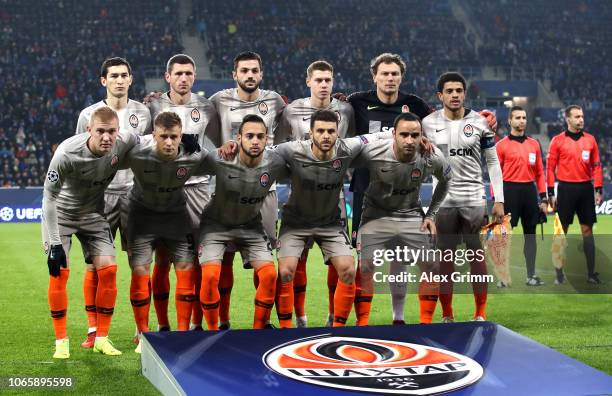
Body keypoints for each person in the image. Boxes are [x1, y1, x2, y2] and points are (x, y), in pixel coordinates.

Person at [274, 110, 392, 327]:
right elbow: (264, 151)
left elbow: (378, 136)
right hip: (295, 223)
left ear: (338, 134)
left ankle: (337, 327)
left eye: (331, 131)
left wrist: (407, 135)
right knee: (285, 271)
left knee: (348, 269)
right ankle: (288, 329)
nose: (326, 136)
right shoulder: (292, 150)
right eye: (320, 131)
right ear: (310, 133)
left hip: (330, 223)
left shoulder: (346, 149)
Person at [43, 107, 139, 358]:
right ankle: (61, 342)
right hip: (62, 215)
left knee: (109, 271)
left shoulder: (122, 141)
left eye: (111, 132)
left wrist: (182, 139)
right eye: (100, 132)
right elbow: (48, 199)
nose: (107, 137)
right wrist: (54, 244)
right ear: (89, 130)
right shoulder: (66, 152)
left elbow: (149, 139)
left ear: (118, 132)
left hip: (93, 214)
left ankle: (101, 339)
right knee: (59, 273)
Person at [121, 112, 213, 353]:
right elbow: (108, 155)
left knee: (186, 269)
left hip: (175, 216)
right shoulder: (137, 153)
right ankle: (142, 334)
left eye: (174, 137)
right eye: (164, 136)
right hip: (141, 217)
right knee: (140, 271)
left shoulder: (193, 154)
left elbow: (221, 163)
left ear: (181, 136)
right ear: (154, 135)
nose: (169, 142)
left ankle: (182, 334)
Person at [75, 57, 151, 348]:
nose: (119, 80)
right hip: (99, 198)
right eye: (114, 76)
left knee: (139, 264)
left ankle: (141, 331)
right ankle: (93, 329)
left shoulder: (143, 111)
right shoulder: (88, 115)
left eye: (124, 75)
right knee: (96, 265)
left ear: (131, 79)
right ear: (103, 81)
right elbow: (79, 155)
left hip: (135, 195)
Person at [274, 60, 355, 327]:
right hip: (300, 191)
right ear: (308, 81)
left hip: (334, 196)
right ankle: (299, 317)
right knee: (296, 262)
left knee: (339, 264)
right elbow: (277, 146)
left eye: (328, 80)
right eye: (318, 80)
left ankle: (335, 317)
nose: (323, 85)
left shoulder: (346, 109)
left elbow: (354, 143)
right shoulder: (291, 110)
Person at [209, 51, 285, 329]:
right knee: (225, 256)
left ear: (261, 74)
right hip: (228, 192)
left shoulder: (275, 100)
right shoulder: (217, 101)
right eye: (244, 70)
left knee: (263, 258)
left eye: (254, 70)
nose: (250, 75)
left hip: (265, 191)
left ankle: (262, 323)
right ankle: (223, 319)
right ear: (234, 75)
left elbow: (286, 133)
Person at [422, 72, 504, 322]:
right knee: (445, 260)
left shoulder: (480, 122)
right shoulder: (427, 123)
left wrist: (498, 198)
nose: (455, 95)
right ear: (440, 95)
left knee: (476, 257)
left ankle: (480, 313)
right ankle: (447, 314)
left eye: (459, 90)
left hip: (474, 200)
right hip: (443, 202)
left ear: (464, 94)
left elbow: (492, 161)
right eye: (449, 91)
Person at [356, 112, 451, 325]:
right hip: (376, 214)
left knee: (432, 265)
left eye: (415, 135)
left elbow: (446, 180)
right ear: (394, 135)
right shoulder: (374, 151)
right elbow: (342, 158)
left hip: (410, 215)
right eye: (404, 135)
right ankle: (361, 324)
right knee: (366, 265)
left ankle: (422, 324)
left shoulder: (431, 156)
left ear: (421, 136)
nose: (409, 140)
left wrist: (431, 214)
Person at [147, 54, 220, 331]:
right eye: (178, 74)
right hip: (165, 190)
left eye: (189, 74)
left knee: (200, 258)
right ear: (168, 77)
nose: (184, 78)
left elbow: (220, 140)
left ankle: (196, 323)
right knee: (163, 258)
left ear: (194, 77)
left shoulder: (206, 107)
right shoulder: (153, 105)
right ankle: (162, 325)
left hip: (199, 188)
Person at [198, 114, 287, 330]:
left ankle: (257, 331)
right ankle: (212, 332)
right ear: (238, 138)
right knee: (210, 276)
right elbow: (190, 163)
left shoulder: (275, 162)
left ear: (267, 139)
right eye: (249, 136)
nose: (255, 141)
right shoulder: (220, 157)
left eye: (259, 136)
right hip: (216, 225)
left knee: (269, 275)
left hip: (251, 226)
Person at [547, 105, 603, 284]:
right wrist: (550, 192)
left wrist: (598, 189)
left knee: (587, 231)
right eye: (577, 116)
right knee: (560, 232)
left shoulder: (591, 140)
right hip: (565, 189)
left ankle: (590, 274)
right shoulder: (557, 141)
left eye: (582, 116)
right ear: (568, 119)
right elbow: (549, 168)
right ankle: (558, 274)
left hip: (586, 189)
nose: (581, 119)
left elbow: (597, 166)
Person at [495, 106, 547, 286]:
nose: (522, 121)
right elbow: (496, 176)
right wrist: (498, 200)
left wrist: (544, 198)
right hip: (509, 191)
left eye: (524, 117)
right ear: (510, 121)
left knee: (530, 235)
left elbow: (540, 173)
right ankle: (502, 276)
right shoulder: (501, 145)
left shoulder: (534, 144)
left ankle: (531, 276)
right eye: (517, 117)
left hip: (529, 192)